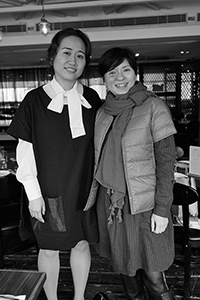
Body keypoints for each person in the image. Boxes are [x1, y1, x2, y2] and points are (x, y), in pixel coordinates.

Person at [7, 28, 102, 300]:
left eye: (80, 55)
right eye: (66, 53)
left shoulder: (92, 99)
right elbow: (24, 150)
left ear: (86, 62)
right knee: (48, 248)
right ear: (53, 57)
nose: (73, 60)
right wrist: (33, 194)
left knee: (82, 243)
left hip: (84, 188)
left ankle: (79, 297)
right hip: (47, 189)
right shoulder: (34, 100)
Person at [86, 47, 177, 300]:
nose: (120, 77)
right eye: (112, 72)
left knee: (154, 276)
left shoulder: (153, 106)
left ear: (134, 73)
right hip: (111, 204)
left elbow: (167, 161)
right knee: (125, 270)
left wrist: (162, 208)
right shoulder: (102, 113)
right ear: (104, 79)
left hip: (145, 206)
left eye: (125, 69)